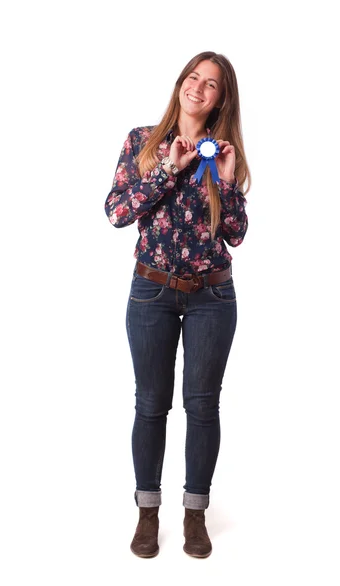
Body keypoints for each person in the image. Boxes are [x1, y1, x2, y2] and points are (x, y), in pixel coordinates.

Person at [104, 51, 251, 559]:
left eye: (211, 84)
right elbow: (117, 212)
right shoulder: (141, 141)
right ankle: (148, 513)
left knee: (202, 405)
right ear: (180, 84)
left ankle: (195, 514)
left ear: (220, 98)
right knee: (150, 404)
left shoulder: (224, 152)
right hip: (152, 292)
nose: (199, 88)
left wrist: (227, 183)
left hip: (213, 294)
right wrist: (169, 167)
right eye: (193, 78)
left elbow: (235, 234)